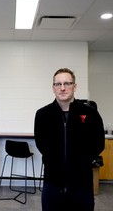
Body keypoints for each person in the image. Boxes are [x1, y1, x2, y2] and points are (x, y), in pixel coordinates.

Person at [34, 68, 105, 211]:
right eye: (58, 84)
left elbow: (98, 143)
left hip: (81, 184)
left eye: (67, 83)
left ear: (75, 86)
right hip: (52, 183)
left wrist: (81, 161)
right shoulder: (43, 114)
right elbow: (41, 144)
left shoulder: (90, 113)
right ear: (53, 88)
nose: (62, 88)